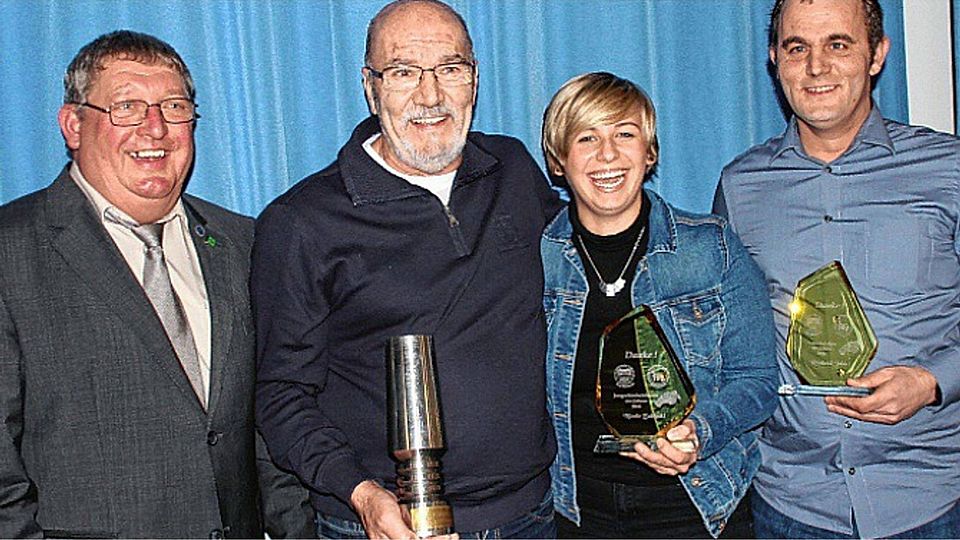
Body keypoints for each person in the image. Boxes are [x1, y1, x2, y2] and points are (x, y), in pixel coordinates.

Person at [252, 1, 562, 538]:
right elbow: (281, 395)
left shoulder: (512, 170)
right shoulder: (303, 221)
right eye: (402, 72)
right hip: (388, 526)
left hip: (532, 514)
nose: (430, 95)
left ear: (475, 80)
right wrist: (360, 493)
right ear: (370, 87)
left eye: (450, 68)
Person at [0, 30, 315, 538]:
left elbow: (269, 431)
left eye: (173, 106)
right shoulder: (10, 254)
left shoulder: (245, 244)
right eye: (126, 107)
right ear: (73, 125)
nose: (155, 128)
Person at [714, 0, 960, 537]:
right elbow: (726, 337)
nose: (816, 66)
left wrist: (931, 382)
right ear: (774, 60)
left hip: (931, 500)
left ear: (877, 55)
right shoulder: (740, 186)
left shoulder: (949, 170)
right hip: (790, 504)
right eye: (797, 47)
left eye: (838, 44)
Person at [540, 72, 778, 539]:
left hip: (696, 504)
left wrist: (699, 432)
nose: (607, 154)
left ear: (649, 154)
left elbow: (758, 381)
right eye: (587, 137)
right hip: (578, 514)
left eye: (624, 134)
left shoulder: (711, 248)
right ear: (558, 161)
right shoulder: (540, 257)